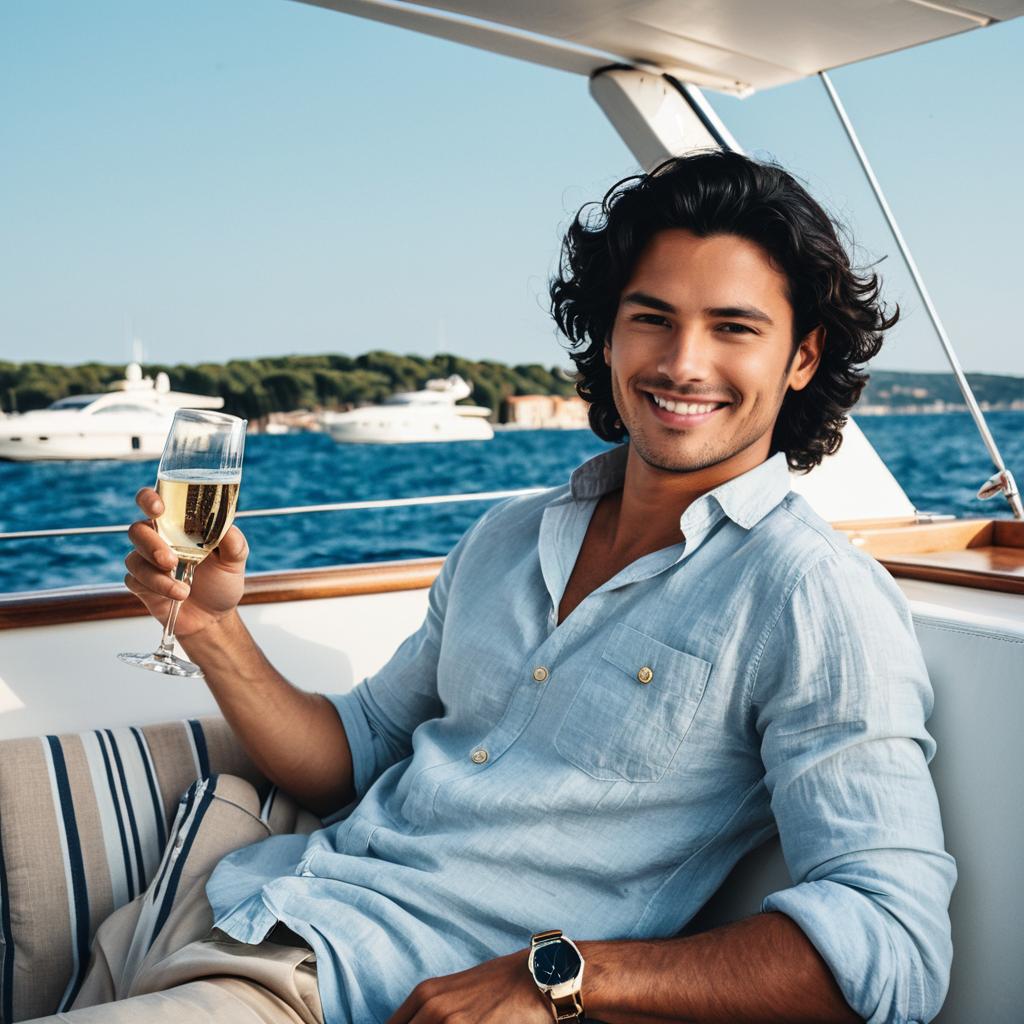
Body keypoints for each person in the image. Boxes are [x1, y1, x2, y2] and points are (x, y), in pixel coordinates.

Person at [58, 151, 955, 1024]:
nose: (683, 362)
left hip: (333, 987)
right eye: (651, 317)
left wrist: (555, 979)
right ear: (608, 334)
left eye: (734, 328)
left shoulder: (812, 597)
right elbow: (357, 754)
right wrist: (210, 627)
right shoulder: (507, 535)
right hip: (225, 902)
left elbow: (894, 943)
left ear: (802, 357)